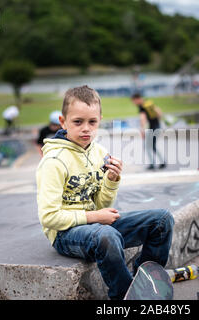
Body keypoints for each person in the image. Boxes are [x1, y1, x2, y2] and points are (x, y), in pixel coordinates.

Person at [36, 85, 174, 300]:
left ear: (100, 119)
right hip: (65, 234)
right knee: (106, 235)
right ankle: (123, 296)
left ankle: (142, 282)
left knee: (162, 220)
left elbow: (101, 205)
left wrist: (111, 181)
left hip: (95, 226)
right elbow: (49, 217)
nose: (86, 129)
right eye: (77, 122)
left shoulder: (99, 152)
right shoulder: (54, 161)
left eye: (92, 122)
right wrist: (94, 217)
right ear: (63, 122)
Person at [130, 92, 166, 170]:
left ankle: (152, 164)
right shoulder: (149, 103)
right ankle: (162, 161)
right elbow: (159, 112)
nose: (133, 103)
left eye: (133, 101)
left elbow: (142, 119)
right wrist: (157, 122)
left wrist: (142, 131)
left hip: (152, 128)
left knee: (148, 147)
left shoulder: (141, 107)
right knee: (153, 146)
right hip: (157, 127)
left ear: (137, 99)